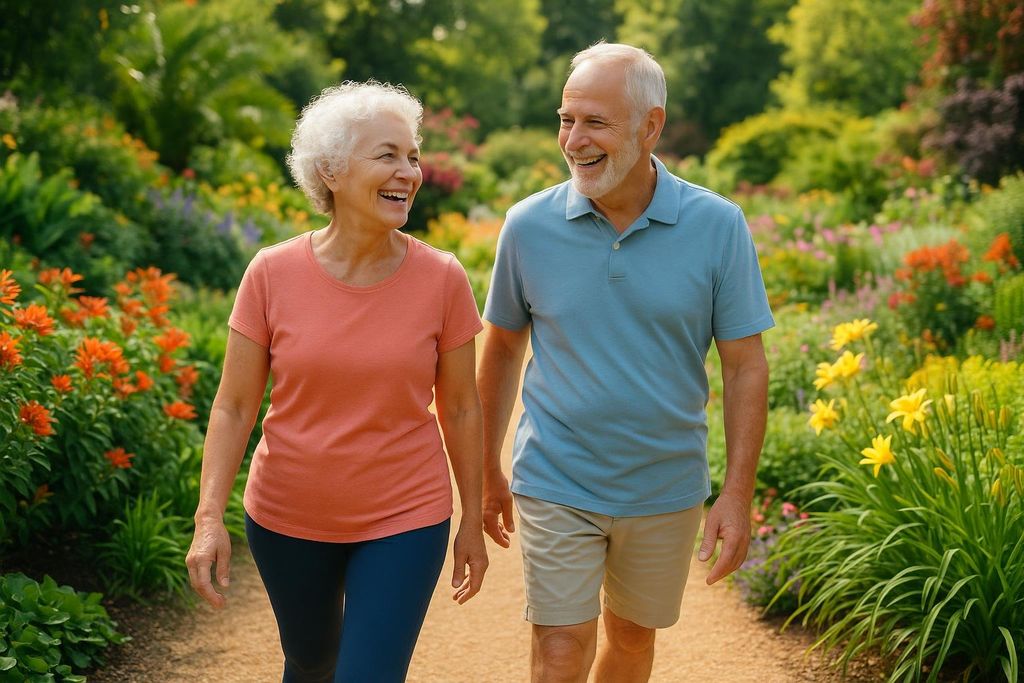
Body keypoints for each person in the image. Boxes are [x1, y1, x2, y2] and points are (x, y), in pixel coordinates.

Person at [478, 43, 774, 682]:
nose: (573, 139)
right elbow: (501, 347)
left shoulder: (717, 226)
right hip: (557, 475)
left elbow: (746, 364)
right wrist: (485, 470)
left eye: (594, 122)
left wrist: (737, 494)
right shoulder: (527, 227)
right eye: (566, 119)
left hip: (664, 485)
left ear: (651, 125)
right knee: (560, 650)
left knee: (633, 640)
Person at [185, 81, 488, 683]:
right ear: (330, 170)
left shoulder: (442, 278)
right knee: (312, 659)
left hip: (406, 513)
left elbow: (461, 409)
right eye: (387, 155)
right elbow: (234, 406)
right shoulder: (271, 273)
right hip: (287, 514)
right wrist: (208, 517)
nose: (409, 172)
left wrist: (471, 521)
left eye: (413, 156)